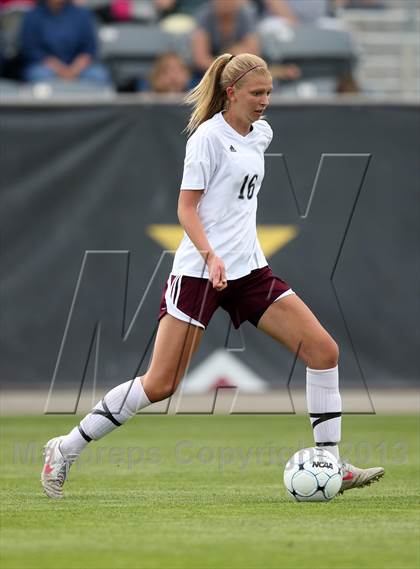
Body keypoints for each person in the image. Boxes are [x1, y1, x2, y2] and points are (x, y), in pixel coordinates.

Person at [41, 52, 384, 499]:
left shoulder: (261, 134)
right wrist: (210, 255)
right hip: (199, 274)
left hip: (250, 273)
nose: (265, 101)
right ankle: (64, 448)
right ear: (231, 92)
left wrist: (232, 258)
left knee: (323, 351)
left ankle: (331, 463)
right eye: (257, 93)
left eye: (269, 93)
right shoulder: (206, 137)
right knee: (161, 384)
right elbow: (186, 208)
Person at [20, 0, 110, 84]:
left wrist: (74, 70)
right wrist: (59, 69)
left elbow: (89, 48)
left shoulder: (82, 14)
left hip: (78, 67)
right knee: (39, 75)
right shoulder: (33, 16)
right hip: (46, 67)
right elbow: (31, 49)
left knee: (98, 75)